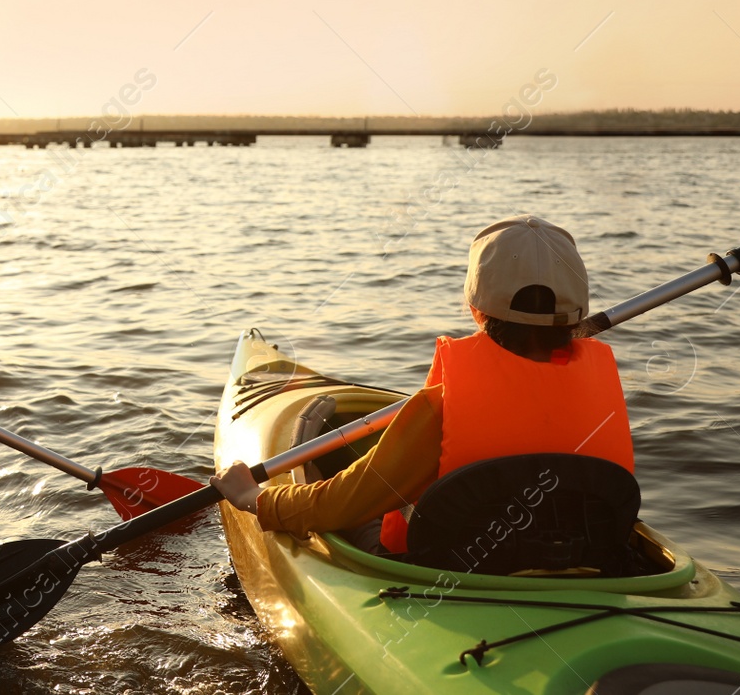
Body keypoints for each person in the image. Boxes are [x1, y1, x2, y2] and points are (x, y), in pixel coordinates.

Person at [211, 215, 633, 555]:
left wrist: (255, 500)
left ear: (475, 309)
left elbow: (346, 501)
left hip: (450, 577)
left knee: (360, 507)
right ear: (578, 313)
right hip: (587, 559)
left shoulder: (441, 408)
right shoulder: (603, 393)